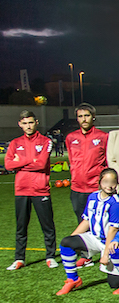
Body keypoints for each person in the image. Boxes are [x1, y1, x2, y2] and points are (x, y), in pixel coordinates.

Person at [55, 169, 119, 295]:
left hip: (108, 241)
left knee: (114, 283)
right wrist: (72, 240)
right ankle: (73, 280)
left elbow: (113, 230)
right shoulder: (92, 197)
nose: (109, 185)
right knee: (66, 242)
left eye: (113, 182)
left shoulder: (115, 203)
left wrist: (106, 254)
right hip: (94, 238)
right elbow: (86, 221)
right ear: (100, 182)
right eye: (106, 181)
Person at [5, 110, 58, 270]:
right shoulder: (15, 143)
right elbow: (8, 165)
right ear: (20, 124)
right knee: (21, 226)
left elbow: (41, 164)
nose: (28, 126)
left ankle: (50, 256)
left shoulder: (46, 141)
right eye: (25, 123)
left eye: (30, 122)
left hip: (41, 190)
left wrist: (20, 161)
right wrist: (30, 160)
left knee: (47, 226)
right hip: (21, 190)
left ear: (36, 122)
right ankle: (19, 258)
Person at [65, 103, 109, 223]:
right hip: (77, 188)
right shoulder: (71, 137)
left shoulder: (103, 137)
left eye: (87, 115)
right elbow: (71, 160)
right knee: (82, 223)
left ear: (93, 116)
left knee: (99, 223)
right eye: (80, 116)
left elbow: (107, 161)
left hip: (96, 188)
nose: (84, 119)